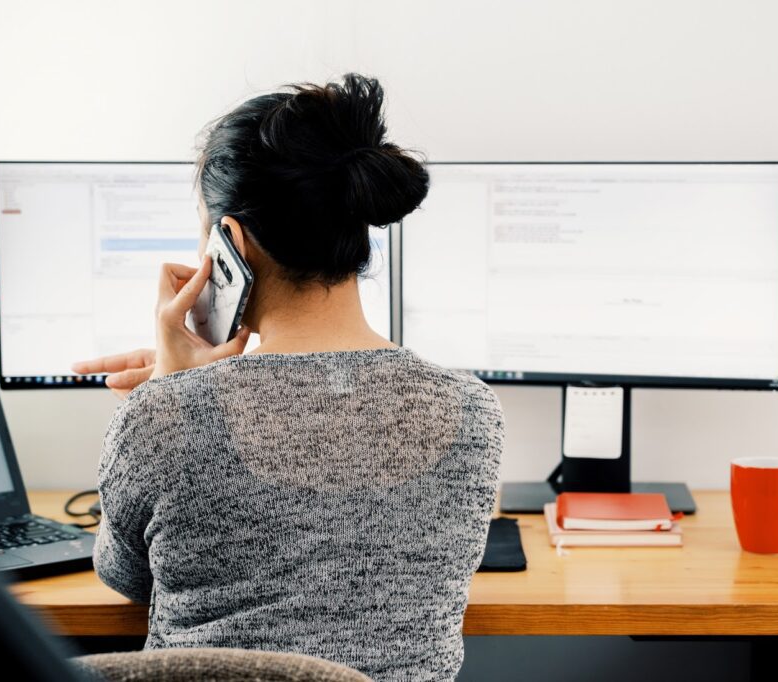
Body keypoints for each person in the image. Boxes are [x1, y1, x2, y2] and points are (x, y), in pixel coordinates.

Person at [72, 74, 505, 681]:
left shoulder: (162, 414)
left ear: (230, 245)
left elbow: (125, 579)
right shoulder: (473, 412)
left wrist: (171, 390)